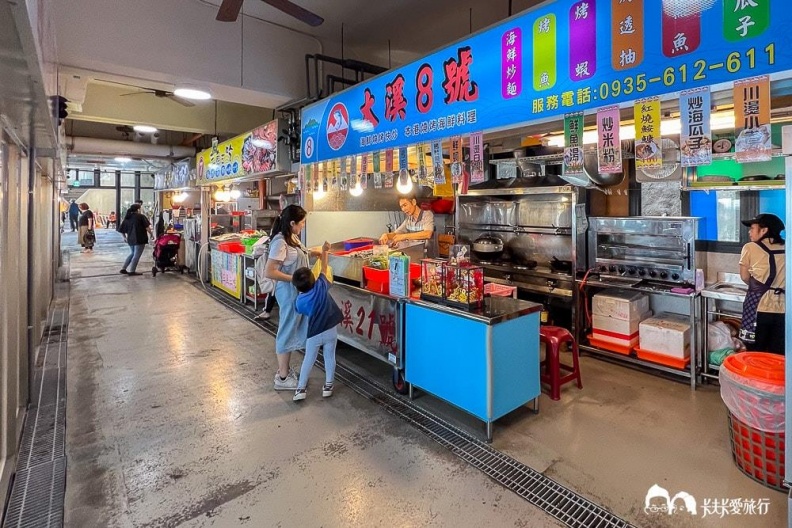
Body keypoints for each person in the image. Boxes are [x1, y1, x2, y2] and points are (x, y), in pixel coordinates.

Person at [264, 205, 322, 390]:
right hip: (288, 293)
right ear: (292, 223)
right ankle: (282, 378)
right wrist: (295, 279)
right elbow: (270, 271)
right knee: (286, 330)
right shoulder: (280, 242)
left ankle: (285, 371)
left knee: (292, 328)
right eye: (302, 222)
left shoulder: (292, 238)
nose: (303, 225)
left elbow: (299, 253)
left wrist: (316, 252)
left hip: (296, 292)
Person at [291, 241, 342, 401]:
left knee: (309, 359)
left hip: (314, 333)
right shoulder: (321, 285)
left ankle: (300, 389)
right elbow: (325, 267)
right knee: (329, 356)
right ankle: (328, 385)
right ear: (314, 279)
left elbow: (300, 311)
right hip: (331, 330)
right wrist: (325, 251)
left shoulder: (300, 301)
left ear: (298, 288)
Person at [739, 213, 786, 355]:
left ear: (764, 230)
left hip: (759, 306)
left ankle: (754, 377)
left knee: (754, 351)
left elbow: (745, 277)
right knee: (777, 353)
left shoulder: (750, 247)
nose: (749, 232)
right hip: (784, 308)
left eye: (752, 228)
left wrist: (757, 286)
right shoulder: (788, 247)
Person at [118, 203, 153, 276]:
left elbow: (122, 230)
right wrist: (152, 234)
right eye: (141, 208)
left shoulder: (127, 217)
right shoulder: (141, 217)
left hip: (130, 239)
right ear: (138, 209)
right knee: (136, 255)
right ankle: (132, 271)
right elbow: (147, 227)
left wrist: (124, 237)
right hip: (140, 238)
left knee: (133, 253)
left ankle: (123, 268)